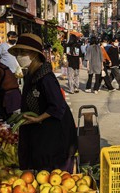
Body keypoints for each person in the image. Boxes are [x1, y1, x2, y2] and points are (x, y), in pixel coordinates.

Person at [9, 33, 77, 173]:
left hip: (54, 131)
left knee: (53, 171)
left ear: (34, 54)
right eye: (18, 53)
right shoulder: (30, 74)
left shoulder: (46, 78)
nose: (19, 56)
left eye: (23, 52)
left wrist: (39, 118)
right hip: (39, 130)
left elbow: (57, 105)